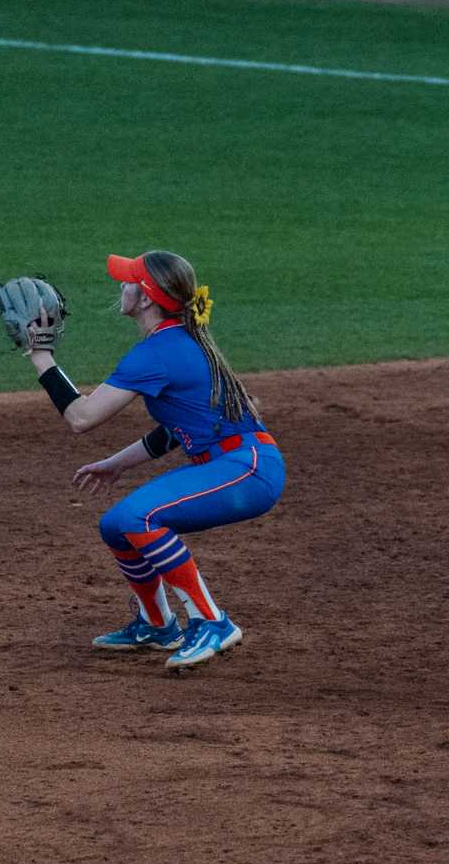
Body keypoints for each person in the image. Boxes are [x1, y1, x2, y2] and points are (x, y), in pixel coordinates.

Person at [23, 251, 286, 670]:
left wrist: (40, 356)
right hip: (236, 462)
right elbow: (175, 430)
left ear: (145, 298)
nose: (121, 287)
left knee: (139, 518)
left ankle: (211, 620)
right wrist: (117, 463)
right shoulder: (177, 340)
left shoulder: (159, 352)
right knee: (115, 525)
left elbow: (82, 418)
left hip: (247, 469)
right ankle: (158, 624)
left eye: (128, 281)